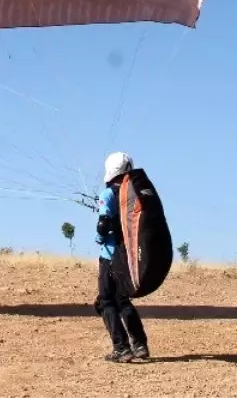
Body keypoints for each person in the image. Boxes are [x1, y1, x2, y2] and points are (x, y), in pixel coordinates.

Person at [94, 152, 150, 363]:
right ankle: (140, 345)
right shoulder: (135, 193)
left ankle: (121, 348)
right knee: (122, 299)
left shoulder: (107, 194)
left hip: (110, 255)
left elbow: (103, 223)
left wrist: (99, 237)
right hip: (129, 256)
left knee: (106, 300)